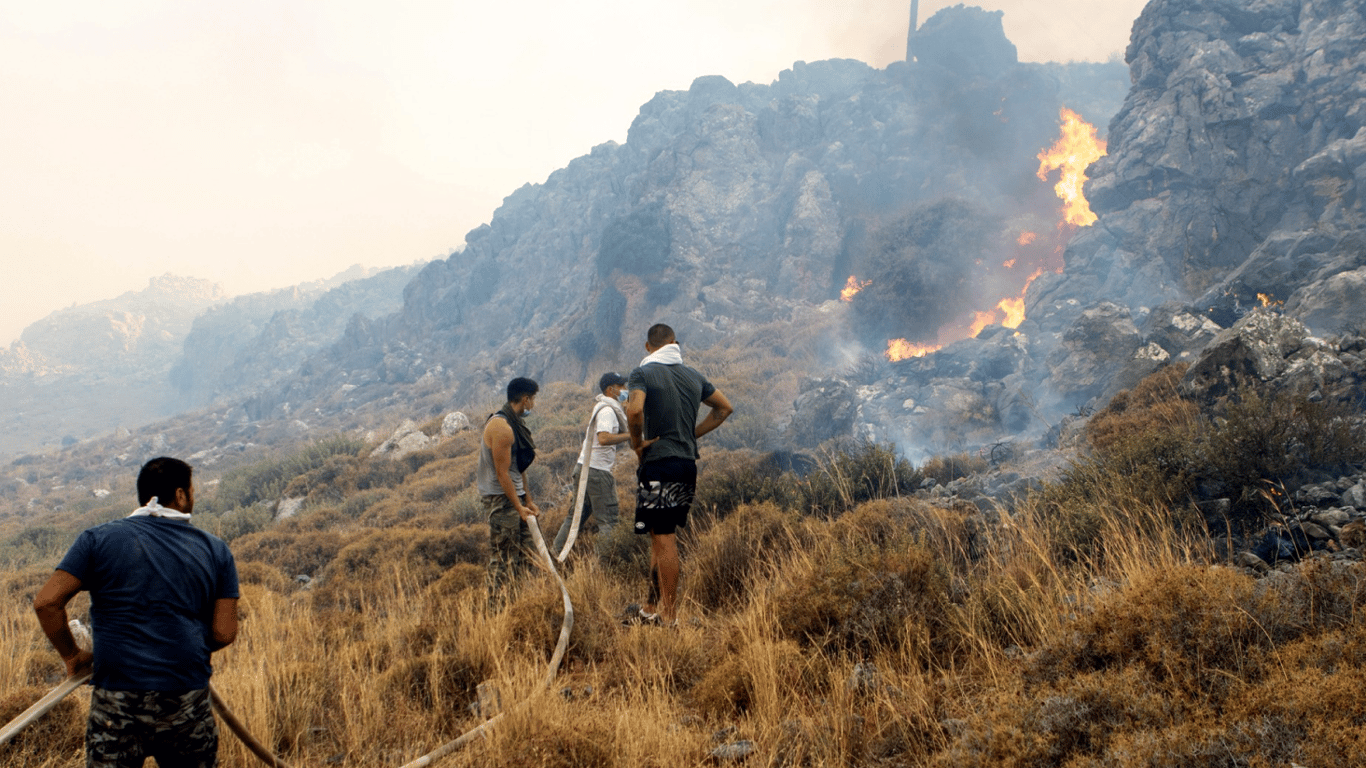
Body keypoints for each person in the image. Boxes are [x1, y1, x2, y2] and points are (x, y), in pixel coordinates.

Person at [33, 456, 239, 768]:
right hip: (185, 697)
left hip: (117, 701)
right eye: (192, 491)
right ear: (180, 495)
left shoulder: (97, 539)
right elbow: (224, 633)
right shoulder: (215, 549)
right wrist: (179, 646)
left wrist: (72, 656)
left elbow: (46, 603)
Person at [625, 324, 732, 626]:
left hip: (659, 464)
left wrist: (636, 443)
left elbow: (635, 411)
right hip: (686, 465)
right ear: (674, 343)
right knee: (658, 535)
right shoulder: (694, 375)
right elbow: (724, 408)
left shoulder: (642, 373)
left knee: (664, 538)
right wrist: (690, 435)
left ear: (648, 347)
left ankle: (669, 617)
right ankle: (649, 607)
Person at [553, 372, 632, 559]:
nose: (625, 390)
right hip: (597, 472)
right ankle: (603, 566)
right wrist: (632, 435)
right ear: (610, 390)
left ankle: (555, 555)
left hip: (585, 468)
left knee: (576, 516)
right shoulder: (608, 411)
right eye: (621, 386)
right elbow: (603, 438)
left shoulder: (604, 407)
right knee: (609, 521)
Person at [479, 376, 541, 606]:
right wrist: (518, 506)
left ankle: (517, 605)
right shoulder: (501, 428)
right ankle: (494, 610)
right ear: (525, 399)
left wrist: (528, 500)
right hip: (501, 500)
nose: (533, 403)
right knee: (504, 557)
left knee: (525, 554)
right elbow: (502, 473)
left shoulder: (515, 424)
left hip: (516, 498)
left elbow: (517, 468)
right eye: (533, 398)